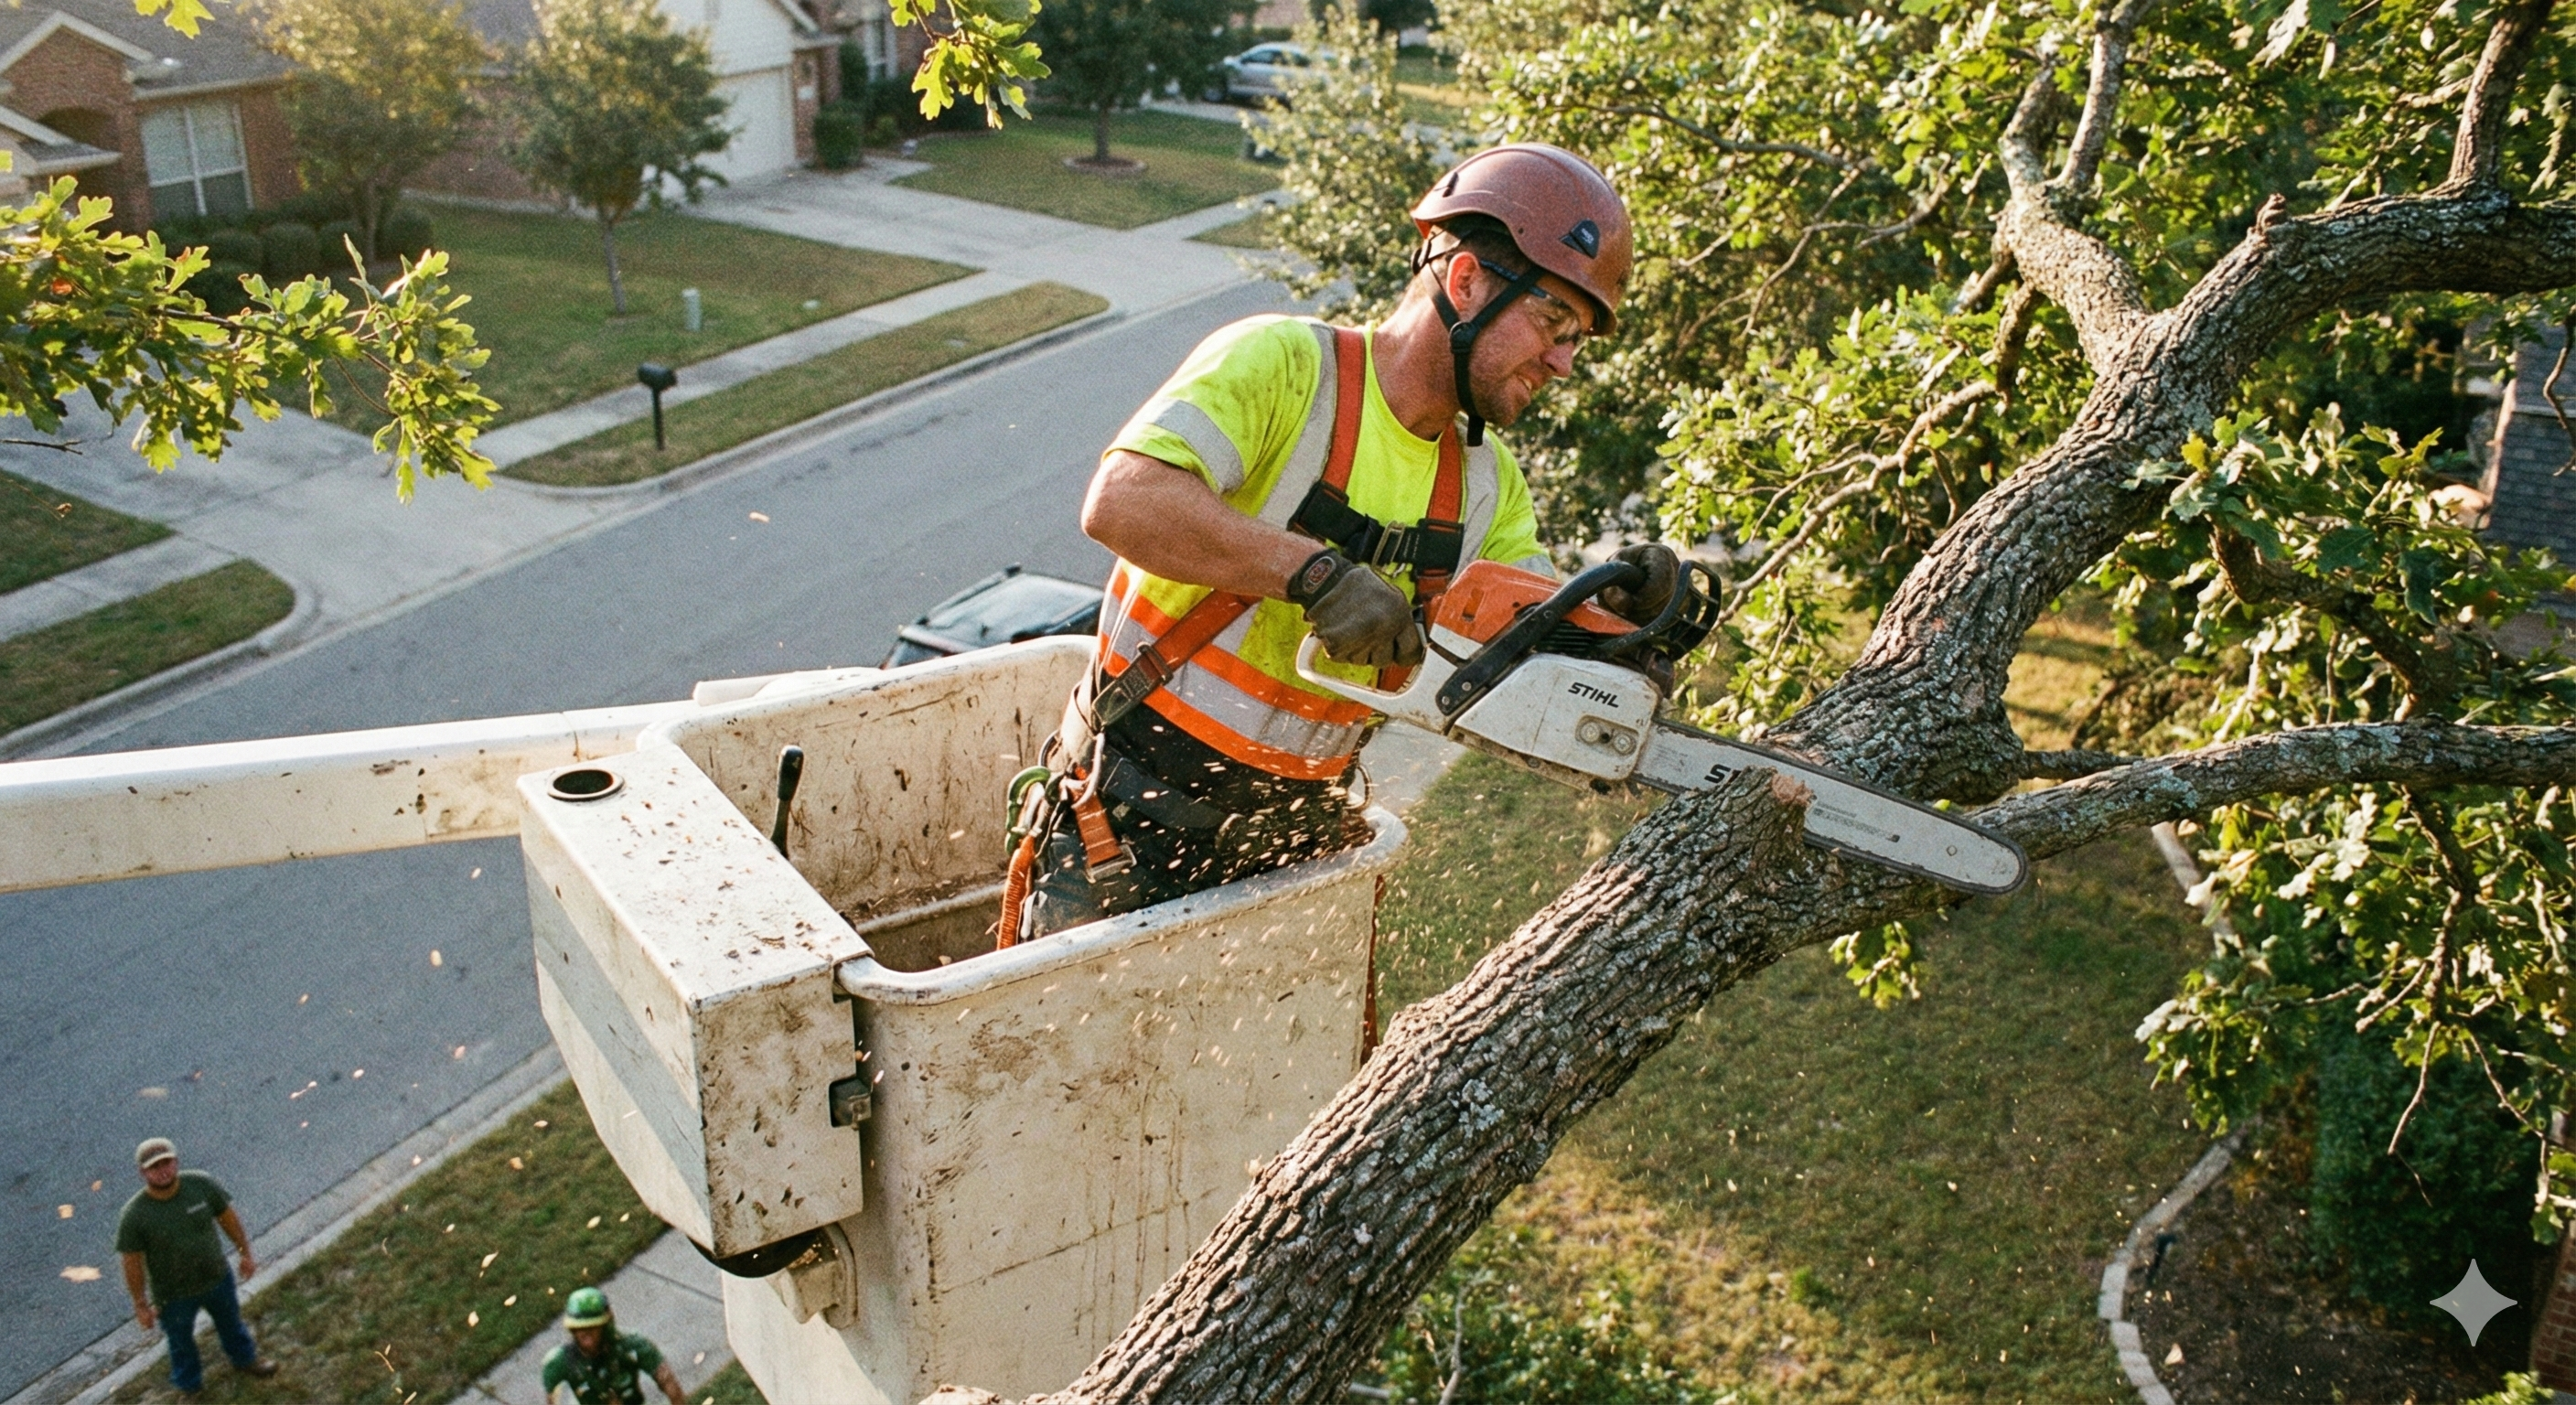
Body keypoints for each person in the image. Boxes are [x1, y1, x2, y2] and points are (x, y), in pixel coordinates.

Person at [1003, 143, 1679, 942]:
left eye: (1578, 338)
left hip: (1291, 852)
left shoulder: (1487, 486)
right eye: (1553, 321)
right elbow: (1123, 501)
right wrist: (1313, 574)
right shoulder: (1287, 367)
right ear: (1465, 281)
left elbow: (1526, 645)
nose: (1564, 361)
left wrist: (1618, 624)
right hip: (1120, 827)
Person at [115, 1137, 278, 1395]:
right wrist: (140, 1304)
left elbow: (228, 1220)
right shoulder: (135, 1215)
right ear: (142, 1173)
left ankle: (246, 1360)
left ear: (176, 1161)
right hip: (173, 1296)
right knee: (180, 1343)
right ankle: (190, 1388)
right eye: (154, 1167)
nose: (163, 1171)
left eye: (167, 1163)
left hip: (217, 1278)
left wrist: (245, 1253)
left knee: (231, 1324)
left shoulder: (201, 1185)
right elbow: (131, 1263)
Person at [539, 1286, 687, 1405]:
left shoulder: (634, 1346)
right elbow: (550, 1397)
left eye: (592, 1328)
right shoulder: (559, 1362)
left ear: (605, 1326)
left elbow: (667, 1380)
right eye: (579, 1329)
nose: (585, 1335)